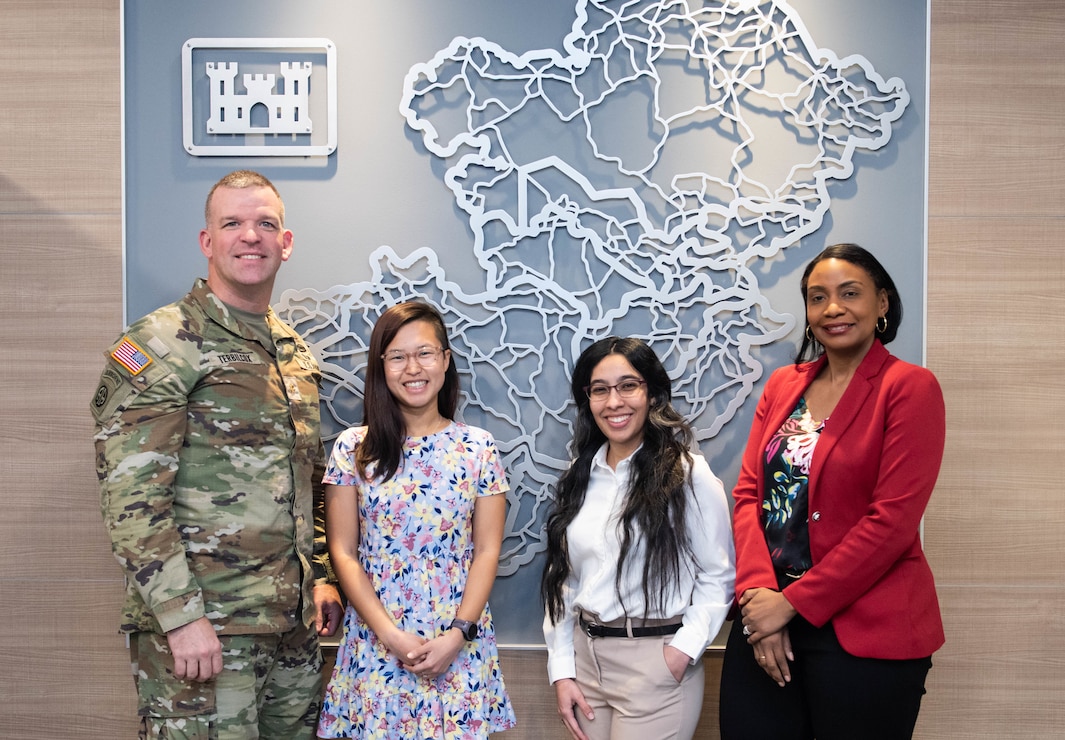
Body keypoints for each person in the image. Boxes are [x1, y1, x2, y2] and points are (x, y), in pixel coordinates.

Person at [91, 170, 344, 739]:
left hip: (292, 631)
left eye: (265, 224)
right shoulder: (161, 342)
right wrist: (180, 617)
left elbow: (309, 482)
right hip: (206, 633)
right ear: (208, 241)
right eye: (232, 223)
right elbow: (131, 497)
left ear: (286, 242)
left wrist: (321, 576)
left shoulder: (293, 352)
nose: (250, 236)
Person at [718, 243, 946, 739]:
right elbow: (750, 496)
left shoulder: (909, 387)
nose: (833, 309)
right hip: (767, 623)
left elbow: (892, 523)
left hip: (865, 632)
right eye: (817, 298)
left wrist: (792, 602)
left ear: (882, 303)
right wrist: (759, 594)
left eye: (849, 293)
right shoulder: (783, 385)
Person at [316, 301, 517, 739]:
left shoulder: (477, 448)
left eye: (425, 353)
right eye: (398, 356)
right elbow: (343, 552)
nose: (414, 368)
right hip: (377, 642)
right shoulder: (354, 448)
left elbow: (487, 550)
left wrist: (457, 634)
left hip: (457, 642)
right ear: (381, 366)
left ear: (445, 360)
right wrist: (391, 636)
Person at [541, 336, 736, 740]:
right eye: (600, 390)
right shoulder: (580, 475)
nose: (614, 402)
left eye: (628, 385)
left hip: (655, 663)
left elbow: (718, 575)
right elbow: (564, 581)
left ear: (652, 393)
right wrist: (562, 669)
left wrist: (681, 654)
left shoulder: (688, 474)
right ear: (587, 400)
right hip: (586, 662)